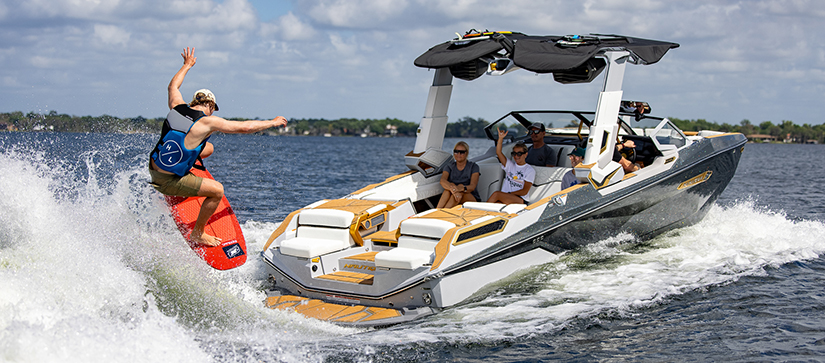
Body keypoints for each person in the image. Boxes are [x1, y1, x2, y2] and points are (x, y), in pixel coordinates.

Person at [149, 47, 288, 247]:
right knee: (217, 191)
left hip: (153, 167)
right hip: (168, 181)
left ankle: (183, 168)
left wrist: (186, 65)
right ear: (211, 107)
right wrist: (272, 122)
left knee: (208, 148)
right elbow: (244, 128)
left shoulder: (177, 106)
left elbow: (173, 87)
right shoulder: (207, 122)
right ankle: (198, 233)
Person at [487, 129, 535, 205]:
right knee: (497, 203)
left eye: (519, 154)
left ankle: (480, 212)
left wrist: (509, 193)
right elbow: (498, 152)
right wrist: (501, 138)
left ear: (526, 154)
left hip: (520, 199)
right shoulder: (510, 165)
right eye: (514, 153)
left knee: (496, 194)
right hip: (506, 197)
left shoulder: (529, 170)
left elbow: (524, 191)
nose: (516, 156)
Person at [436, 141, 480, 209]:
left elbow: (472, 186)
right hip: (454, 195)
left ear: (466, 153)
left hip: (471, 198)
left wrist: (460, 188)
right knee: (447, 190)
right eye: (456, 151)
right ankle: (438, 211)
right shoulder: (449, 166)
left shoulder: (474, 166)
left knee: (460, 189)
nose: (458, 154)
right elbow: (442, 181)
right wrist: (454, 190)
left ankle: (444, 212)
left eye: (462, 152)